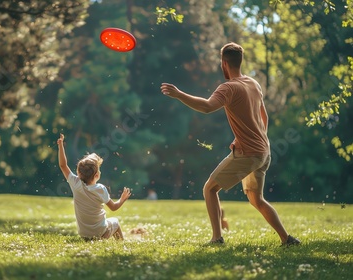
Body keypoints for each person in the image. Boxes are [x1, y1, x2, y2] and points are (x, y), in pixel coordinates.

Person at [160, 42, 300, 246]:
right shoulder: (254, 83)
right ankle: (287, 239)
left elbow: (207, 107)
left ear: (223, 63)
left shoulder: (228, 88)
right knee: (256, 199)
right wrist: (254, 137)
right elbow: (264, 116)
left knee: (210, 189)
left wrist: (179, 94)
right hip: (263, 152)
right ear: (239, 61)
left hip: (249, 154)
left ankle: (217, 238)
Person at [57, 133, 132, 240]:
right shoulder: (100, 189)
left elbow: (63, 165)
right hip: (99, 231)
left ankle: (97, 239)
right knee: (115, 221)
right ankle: (121, 244)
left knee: (105, 226)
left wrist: (60, 146)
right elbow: (114, 207)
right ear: (97, 175)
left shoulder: (75, 183)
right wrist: (122, 199)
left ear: (78, 173)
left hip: (83, 233)